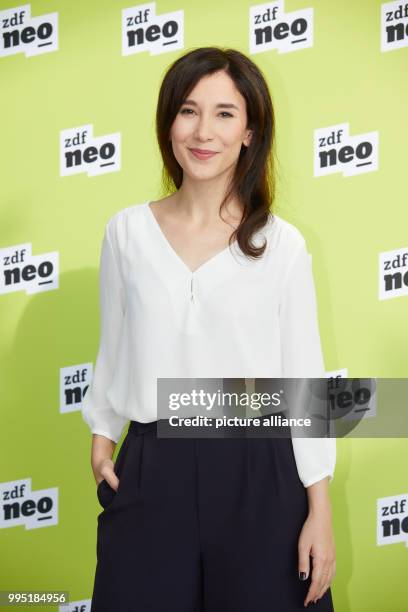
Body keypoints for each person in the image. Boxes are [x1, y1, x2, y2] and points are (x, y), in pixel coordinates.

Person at [82, 46, 336, 611]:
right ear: (168, 122)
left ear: (250, 132)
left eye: (225, 113)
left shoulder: (282, 244)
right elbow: (115, 344)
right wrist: (102, 439)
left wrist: (319, 508)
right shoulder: (126, 233)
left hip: (259, 471)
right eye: (188, 110)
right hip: (153, 467)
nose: (203, 131)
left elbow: (305, 381)